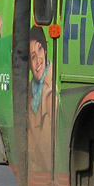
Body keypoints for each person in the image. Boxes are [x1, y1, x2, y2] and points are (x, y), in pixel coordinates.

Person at [27, 25, 54, 176]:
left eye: (39, 50)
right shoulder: (31, 95)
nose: (38, 61)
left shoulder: (52, 93)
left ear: (45, 50)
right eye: (32, 57)